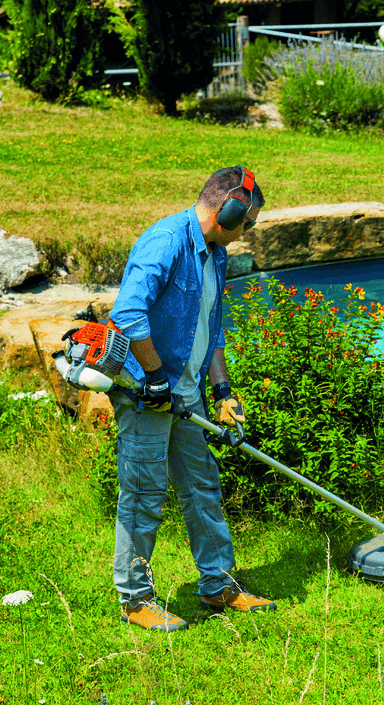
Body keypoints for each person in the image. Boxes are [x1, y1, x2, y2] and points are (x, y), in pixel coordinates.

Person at [106, 165, 274, 632]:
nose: (247, 232)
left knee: (202, 487)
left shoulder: (215, 253)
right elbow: (128, 314)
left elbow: (211, 329)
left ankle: (217, 584)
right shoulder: (165, 242)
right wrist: (155, 376)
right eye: (248, 223)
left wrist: (222, 391)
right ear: (229, 210)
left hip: (188, 391)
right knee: (143, 494)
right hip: (146, 393)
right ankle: (135, 599)